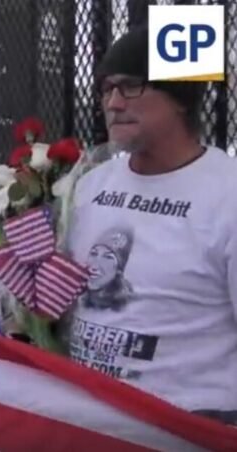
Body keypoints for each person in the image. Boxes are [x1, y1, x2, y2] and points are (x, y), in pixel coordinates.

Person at [63, 25, 237, 424]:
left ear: (179, 99)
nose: (113, 103)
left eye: (130, 87)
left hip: (191, 426)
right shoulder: (91, 185)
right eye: (106, 89)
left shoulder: (228, 193)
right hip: (90, 417)